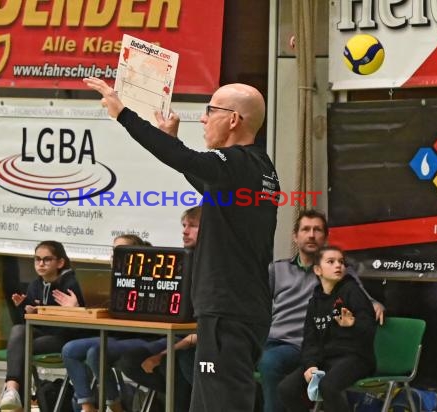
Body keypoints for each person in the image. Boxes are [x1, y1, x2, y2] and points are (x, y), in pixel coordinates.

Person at [83, 77, 280, 412]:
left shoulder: (236, 163)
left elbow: (186, 160)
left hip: (227, 311)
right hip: (240, 309)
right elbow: (205, 179)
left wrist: (124, 114)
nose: (202, 119)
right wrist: (171, 140)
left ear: (233, 119)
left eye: (210, 110)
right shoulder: (260, 169)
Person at [258, 209, 385, 412]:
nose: (311, 235)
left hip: (299, 346)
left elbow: (362, 302)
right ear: (295, 236)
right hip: (273, 340)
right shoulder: (277, 269)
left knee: (270, 363)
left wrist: (375, 305)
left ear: (325, 237)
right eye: (305, 229)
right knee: (223, 355)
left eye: (317, 230)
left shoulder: (340, 275)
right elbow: (258, 305)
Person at [117, 206, 201, 412]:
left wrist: (162, 354)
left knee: (176, 362)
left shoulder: (215, 266)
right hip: (174, 335)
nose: (185, 231)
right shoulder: (181, 261)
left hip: (198, 340)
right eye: (183, 226)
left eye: (192, 226)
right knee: (130, 360)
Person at [61, 233, 158, 412]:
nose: (114, 256)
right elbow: (100, 312)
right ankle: (87, 406)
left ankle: (115, 406)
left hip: (143, 337)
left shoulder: (148, 279)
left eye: (120, 252)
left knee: (96, 352)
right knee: (70, 350)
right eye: (113, 252)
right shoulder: (107, 280)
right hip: (113, 335)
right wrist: (77, 308)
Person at [277, 245, 377, 412]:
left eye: (341, 262)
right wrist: (310, 365)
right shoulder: (314, 303)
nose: (338, 265)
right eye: (331, 262)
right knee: (286, 389)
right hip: (325, 359)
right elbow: (310, 341)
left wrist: (353, 324)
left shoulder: (352, 291)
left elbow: (369, 328)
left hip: (356, 358)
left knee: (328, 387)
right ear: (317, 270)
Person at [0, 240, 85, 410]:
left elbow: (79, 326)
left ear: (60, 262)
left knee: (20, 348)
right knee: (18, 332)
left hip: (66, 337)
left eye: (47, 259)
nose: (41, 264)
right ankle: (13, 390)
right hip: (42, 334)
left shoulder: (70, 284)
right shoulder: (35, 285)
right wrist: (23, 310)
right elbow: (24, 325)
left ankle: (14, 394)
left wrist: (74, 310)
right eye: (37, 259)